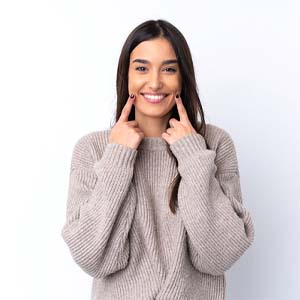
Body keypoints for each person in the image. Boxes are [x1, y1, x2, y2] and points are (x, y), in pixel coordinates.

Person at [61, 19, 255, 300]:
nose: (154, 82)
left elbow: (219, 256)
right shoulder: (93, 149)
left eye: (169, 69)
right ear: (125, 76)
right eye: (141, 68)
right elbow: (92, 257)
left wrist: (192, 154)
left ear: (182, 77)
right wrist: (118, 158)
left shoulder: (214, 144)